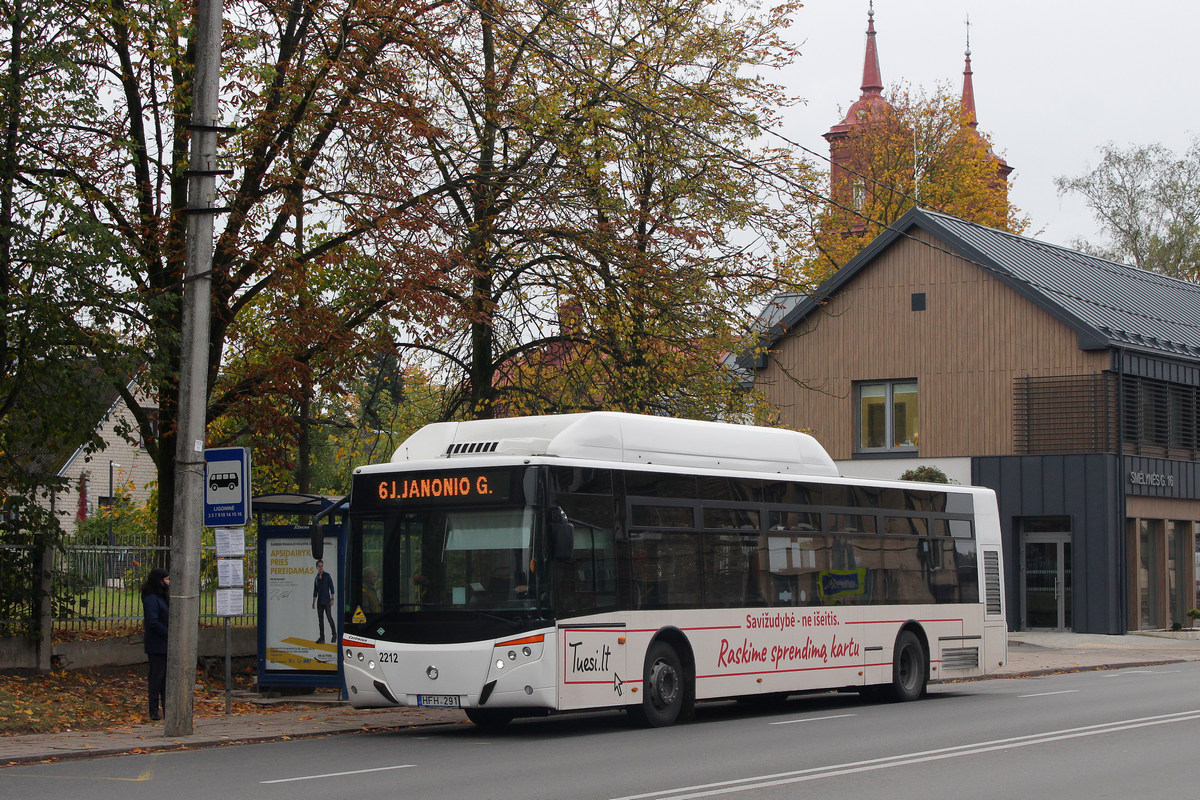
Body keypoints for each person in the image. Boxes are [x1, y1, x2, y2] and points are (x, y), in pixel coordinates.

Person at [140, 568, 170, 721]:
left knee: (165, 679)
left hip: (164, 644)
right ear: (159, 581)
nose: (168, 582)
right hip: (157, 644)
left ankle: (167, 710)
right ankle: (153, 710)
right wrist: (168, 633)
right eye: (166, 580)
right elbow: (153, 621)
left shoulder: (162, 596)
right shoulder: (152, 598)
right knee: (157, 678)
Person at [312, 560, 336, 643]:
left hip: (327, 601)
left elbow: (332, 588)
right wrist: (313, 602)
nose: (321, 567)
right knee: (320, 620)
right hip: (319, 602)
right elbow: (315, 591)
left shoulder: (327, 576)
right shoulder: (316, 578)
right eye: (319, 566)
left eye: (322, 566)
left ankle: (334, 634)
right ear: (317, 567)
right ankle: (322, 637)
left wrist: (332, 599)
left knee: (329, 617)